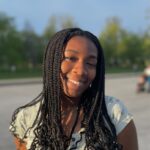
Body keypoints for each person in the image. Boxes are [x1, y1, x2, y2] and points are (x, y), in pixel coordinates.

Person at [9, 28, 138, 150]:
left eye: (90, 63)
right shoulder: (26, 118)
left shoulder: (113, 113)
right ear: (52, 61)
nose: (81, 71)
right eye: (71, 58)